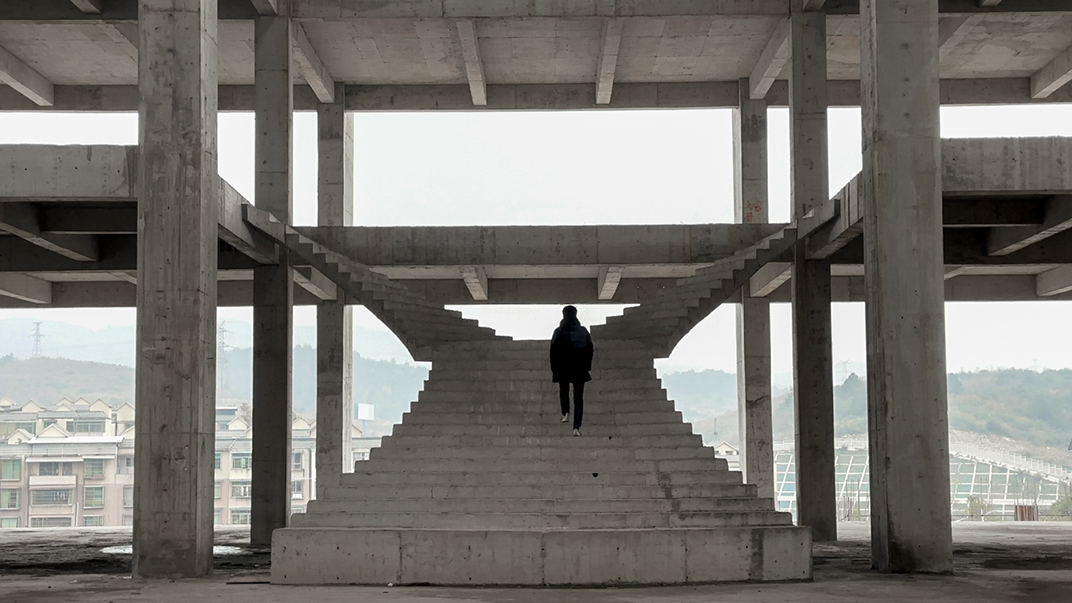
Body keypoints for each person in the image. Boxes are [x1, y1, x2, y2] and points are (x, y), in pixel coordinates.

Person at [549, 305, 594, 436]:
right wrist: (587, 366)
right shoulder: (583, 331)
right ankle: (576, 427)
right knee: (578, 398)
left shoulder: (558, 331)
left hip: (563, 368)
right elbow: (590, 349)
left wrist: (554, 368)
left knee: (564, 391)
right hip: (579, 368)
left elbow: (553, 351)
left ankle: (566, 413)